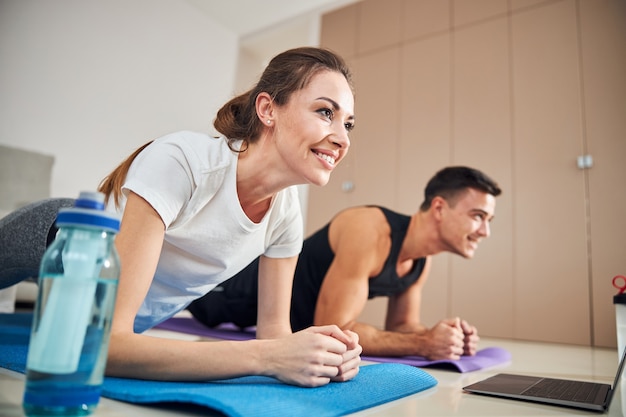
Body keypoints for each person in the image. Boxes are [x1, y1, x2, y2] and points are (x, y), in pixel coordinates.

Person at [0, 47, 361, 387]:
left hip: (107, 314)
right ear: (267, 109)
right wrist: (265, 357)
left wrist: (322, 355)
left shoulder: (285, 214)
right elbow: (108, 345)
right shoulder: (183, 162)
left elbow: (274, 334)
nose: (341, 138)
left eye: (348, 124)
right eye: (325, 112)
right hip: (54, 236)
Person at [188, 166, 502, 361]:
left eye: (488, 220)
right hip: (228, 290)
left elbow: (402, 327)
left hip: (277, 320)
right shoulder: (369, 228)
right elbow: (336, 329)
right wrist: (423, 343)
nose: (485, 231)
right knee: (175, 292)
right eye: (478, 217)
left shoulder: (421, 260)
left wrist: (445, 338)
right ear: (439, 208)